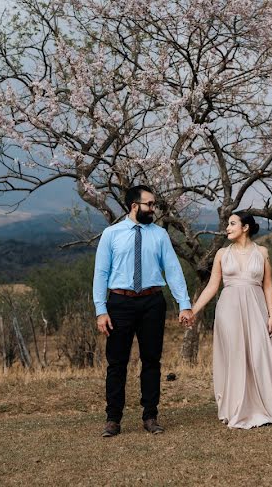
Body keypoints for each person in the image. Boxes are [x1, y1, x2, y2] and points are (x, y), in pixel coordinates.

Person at [93, 185, 194, 437]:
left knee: (151, 361)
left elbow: (172, 270)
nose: (153, 209)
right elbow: (101, 273)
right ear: (134, 206)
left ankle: (150, 415)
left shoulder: (159, 235)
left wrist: (184, 304)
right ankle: (113, 419)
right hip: (120, 303)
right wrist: (100, 310)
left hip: (152, 302)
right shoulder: (111, 234)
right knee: (116, 363)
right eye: (149, 204)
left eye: (154, 204)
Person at [191, 211, 272, 429]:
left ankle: (264, 406)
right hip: (229, 308)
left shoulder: (262, 252)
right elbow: (212, 286)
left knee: (258, 354)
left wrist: (271, 314)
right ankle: (236, 408)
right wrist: (194, 309)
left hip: (256, 308)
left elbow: (268, 284)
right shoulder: (221, 254)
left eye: (232, 224)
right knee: (235, 354)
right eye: (227, 224)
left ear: (245, 227)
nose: (227, 228)